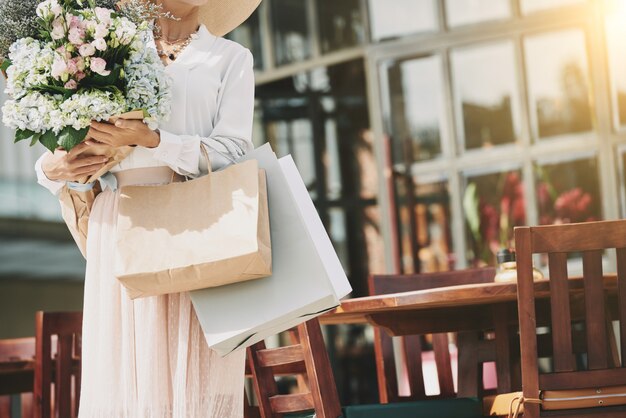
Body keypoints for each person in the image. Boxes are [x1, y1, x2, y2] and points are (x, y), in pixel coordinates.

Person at [33, 0, 261, 416]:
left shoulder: (231, 58)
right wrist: (52, 166)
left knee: (193, 380)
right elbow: (61, 142)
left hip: (199, 226)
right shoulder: (103, 49)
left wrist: (152, 140)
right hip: (120, 223)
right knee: (123, 379)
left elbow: (232, 153)